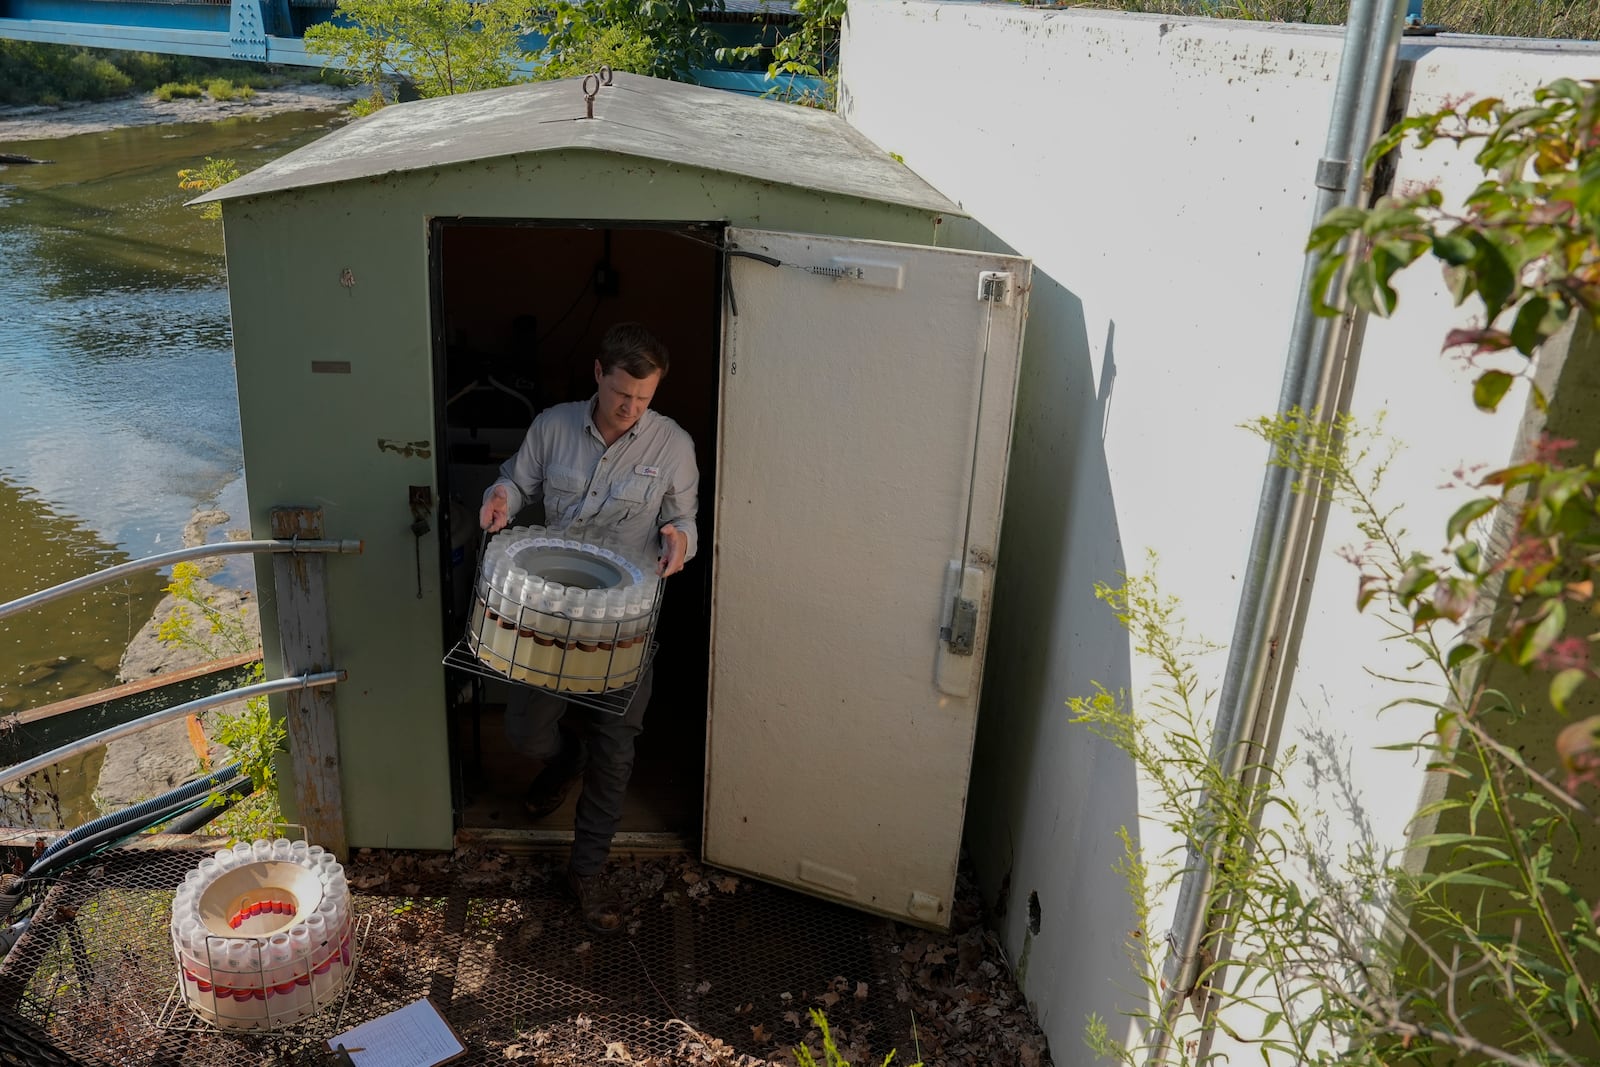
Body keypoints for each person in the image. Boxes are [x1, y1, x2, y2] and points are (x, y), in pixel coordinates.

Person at [479, 322, 698, 933]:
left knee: (617, 745)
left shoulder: (672, 445)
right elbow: (516, 483)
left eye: (644, 399)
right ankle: (563, 755)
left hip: (624, 621)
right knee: (525, 731)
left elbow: (685, 520)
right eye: (622, 393)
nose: (631, 410)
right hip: (551, 614)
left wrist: (679, 539)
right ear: (598, 374)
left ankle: (587, 870)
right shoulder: (552, 426)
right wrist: (501, 497)